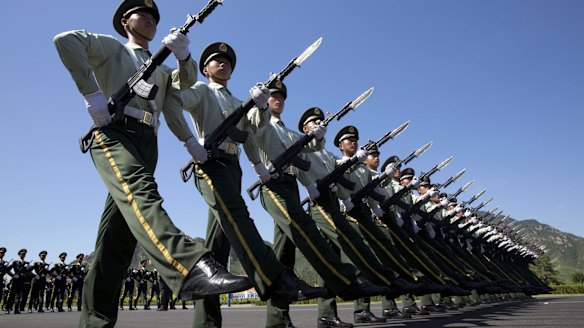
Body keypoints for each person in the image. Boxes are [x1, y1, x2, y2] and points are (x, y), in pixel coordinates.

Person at [53, 1, 252, 326]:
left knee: (116, 240)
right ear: (124, 21)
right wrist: (92, 95)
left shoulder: (158, 68)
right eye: (141, 15)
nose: (149, 20)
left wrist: (184, 55)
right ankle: (189, 266)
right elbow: (65, 41)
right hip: (114, 131)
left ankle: (95, 322)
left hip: (148, 140)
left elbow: (181, 89)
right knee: (143, 196)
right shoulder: (112, 48)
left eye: (154, 18)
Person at [175, 41, 327, 327]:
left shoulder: (235, 101)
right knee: (238, 219)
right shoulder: (201, 90)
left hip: (234, 167)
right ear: (205, 68)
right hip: (210, 162)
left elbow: (252, 131)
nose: (223, 64)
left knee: (218, 245)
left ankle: (206, 322)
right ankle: (273, 279)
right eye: (216, 60)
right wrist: (190, 141)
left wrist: (259, 109)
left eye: (228, 62)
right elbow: (176, 100)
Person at [252, 85, 391, 328]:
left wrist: (319, 135)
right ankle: (346, 281)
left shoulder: (287, 132)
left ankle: (278, 318)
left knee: (285, 254)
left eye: (282, 97)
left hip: (291, 187)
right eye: (274, 95)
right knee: (307, 235)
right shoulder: (262, 121)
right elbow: (253, 133)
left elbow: (310, 150)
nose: (278, 99)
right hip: (274, 184)